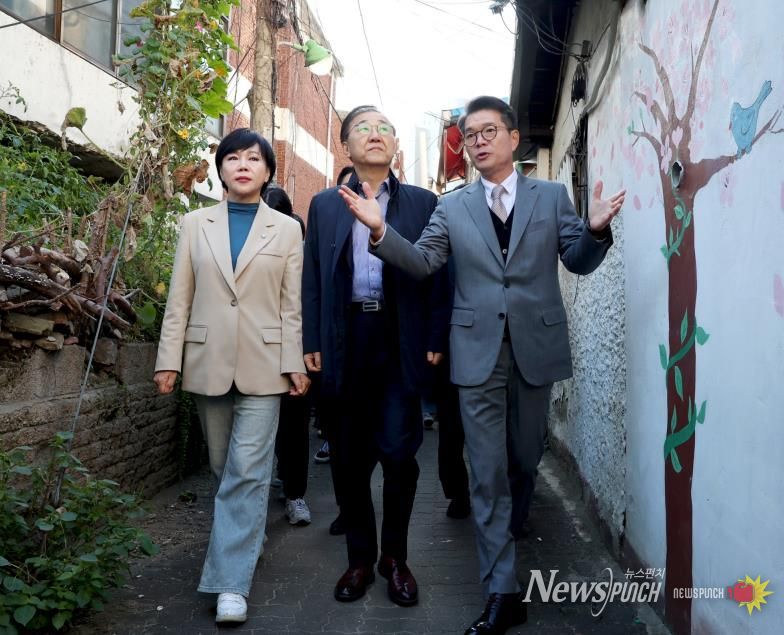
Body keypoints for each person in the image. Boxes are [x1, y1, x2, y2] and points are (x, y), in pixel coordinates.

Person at [339, 96, 624, 635]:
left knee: (523, 458)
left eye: (490, 131)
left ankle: (509, 531)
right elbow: (423, 262)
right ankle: (502, 591)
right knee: (487, 472)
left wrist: (596, 230)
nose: (479, 141)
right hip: (475, 353)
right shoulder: (452, 207)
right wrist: (380, 231)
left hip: (534, 349)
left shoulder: (551, 196)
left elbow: (577, 261)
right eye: (470, 135)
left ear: (514, 139)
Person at [154, 128, 310, 624]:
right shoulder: (194, 223)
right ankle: (247, 536)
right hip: (207, 360)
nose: (243, 165)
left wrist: (294, 361)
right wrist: (167, 359)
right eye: (233, 157)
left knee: (244, 472)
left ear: (267, 171)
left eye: (253, 158)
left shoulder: (286, 230)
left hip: (265, 367)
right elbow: (179, 297)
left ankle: (229, 586)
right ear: (220, 168)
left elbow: (291, 305)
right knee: (225, 469)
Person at [302, 105, 449, 607]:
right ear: (345, 146)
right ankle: (360, 560)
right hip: (345, 336)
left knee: (401, 455)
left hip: (398, 335)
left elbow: (436, 276)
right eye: (363, 127)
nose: (376, 134)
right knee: (347, 459)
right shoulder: (324, 206)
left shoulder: (423, 204)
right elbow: (314, 279)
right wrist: (312, 342)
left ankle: (396, 557)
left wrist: (434, 335)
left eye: (386, 128)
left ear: (396, 148)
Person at [262, 186, 311, 526]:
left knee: (294, 429)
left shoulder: (302, 253)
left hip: (295, 352)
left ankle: (296, 495)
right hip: (255, 353)